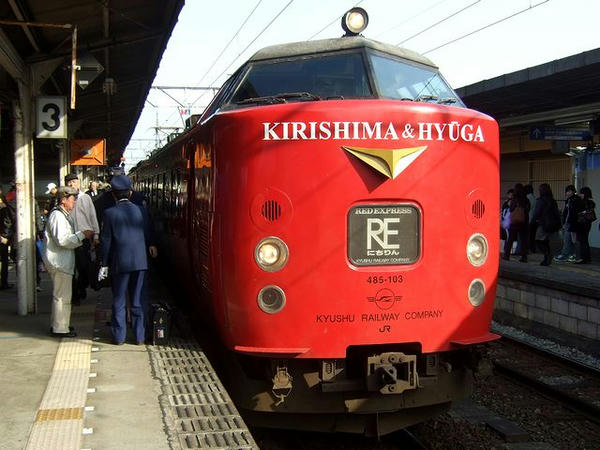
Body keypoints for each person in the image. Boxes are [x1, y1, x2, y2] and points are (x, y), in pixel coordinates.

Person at [98, 175, 157, 345]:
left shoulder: (109, 213)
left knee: (119, 300)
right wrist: (152, 245)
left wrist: (104, 263)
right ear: (130, 192)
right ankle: (139, 336)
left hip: (120, 263)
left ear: (114, 194)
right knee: (138, 299)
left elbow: (106, 241)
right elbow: (148, 232)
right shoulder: (141, 210)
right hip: (140, 262)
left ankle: (119, 337)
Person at [43, 186, 94, 337]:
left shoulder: (63, 215)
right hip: (59, 262)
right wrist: (82, 235)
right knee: (62, 297)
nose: (74, 202)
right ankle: (60, 329)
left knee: (63, 296)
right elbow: (62, 240)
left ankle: (61, 324)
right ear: (63, 200)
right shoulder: (58, 216)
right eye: (72, 199)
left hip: (61, 261)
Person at [65, 173, 100, 304]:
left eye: (74, 182)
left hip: (85, 237)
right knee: (72, 269)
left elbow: (92, 216)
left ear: (78, 183)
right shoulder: (64, 199)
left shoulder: (86, 198)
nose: (72, 184)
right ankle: (75, 295)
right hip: (70, 237)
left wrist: (96, 234)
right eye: (69, 182)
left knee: (84, 267)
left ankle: (82, 286)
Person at [554, 185, 584, 262]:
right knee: (571, 240)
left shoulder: (573, 200)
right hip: (572, 223)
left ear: (573, 191)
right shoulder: (573, 199)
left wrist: (565, 222)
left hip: (571, 223)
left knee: (568, 240)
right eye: (567, 191)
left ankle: (566, 255)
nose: (568, 193)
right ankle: (572, 255)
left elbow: (570, 213)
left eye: (569, 191)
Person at [532, 183, 559, 266]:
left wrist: (532, 222)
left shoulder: (540, 200)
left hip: (543, 224)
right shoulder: (553, 200)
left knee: (538, 240)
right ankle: (547, 258)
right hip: (552, 224)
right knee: (546, 241)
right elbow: (556, 213)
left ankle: (547, 255)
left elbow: (537, 213)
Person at [502, 184, 530, 262]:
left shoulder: (514, 199)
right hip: (523, 222)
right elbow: (528, 209)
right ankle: (524, 257)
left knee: (510, 239)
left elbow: (511, 209)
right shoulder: (526, 199)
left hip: (514, 222)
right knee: (523, 240)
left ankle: (506, 255)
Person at [574, 186, 596, 264]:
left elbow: (578, 212)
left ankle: (583, 259)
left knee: (582, 241)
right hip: (588, 223)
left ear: (584, 194)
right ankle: (587, 258)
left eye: (581, 193)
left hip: (582, 223)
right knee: (585, 240)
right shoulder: (591, 202)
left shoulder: (583, 202)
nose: (580, 194)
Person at [0, 195, 16, 289]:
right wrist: (5, 236)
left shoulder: (5, 209)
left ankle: (3, 282)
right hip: (2, 238)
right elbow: (6, 223)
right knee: (4, 260)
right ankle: (3, 283)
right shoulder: (4, 209)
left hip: (2, 236)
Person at [524, 184, 537, 253]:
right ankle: (533, 248)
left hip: (528, 219)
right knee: (532, 236)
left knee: (527, 236)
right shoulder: (535, 198)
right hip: (534, 220)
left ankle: (527, 249)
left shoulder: (527, 198)